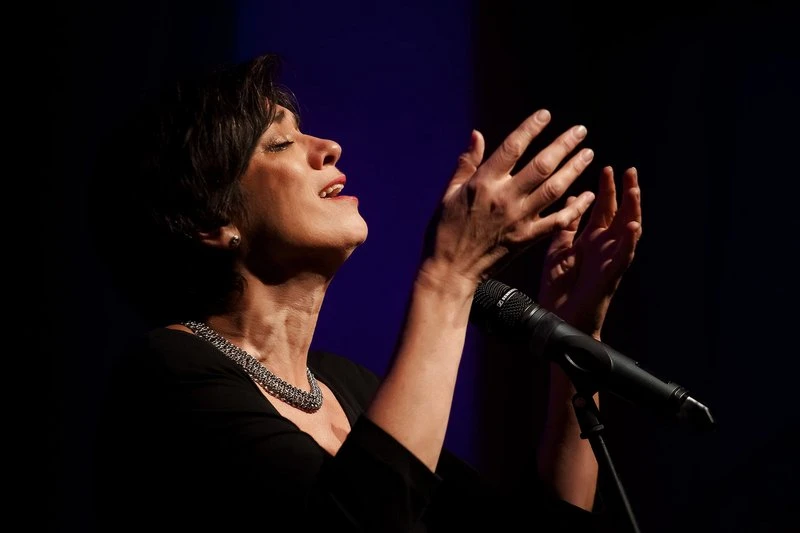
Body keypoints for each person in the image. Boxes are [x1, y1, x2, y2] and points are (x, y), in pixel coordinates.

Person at [88, 53, 642, 532]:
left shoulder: (348, 385)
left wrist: (576, 338)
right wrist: (450, 274)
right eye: (279, 142)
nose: (329, 147)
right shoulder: (167, 374)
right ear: (213, 220)